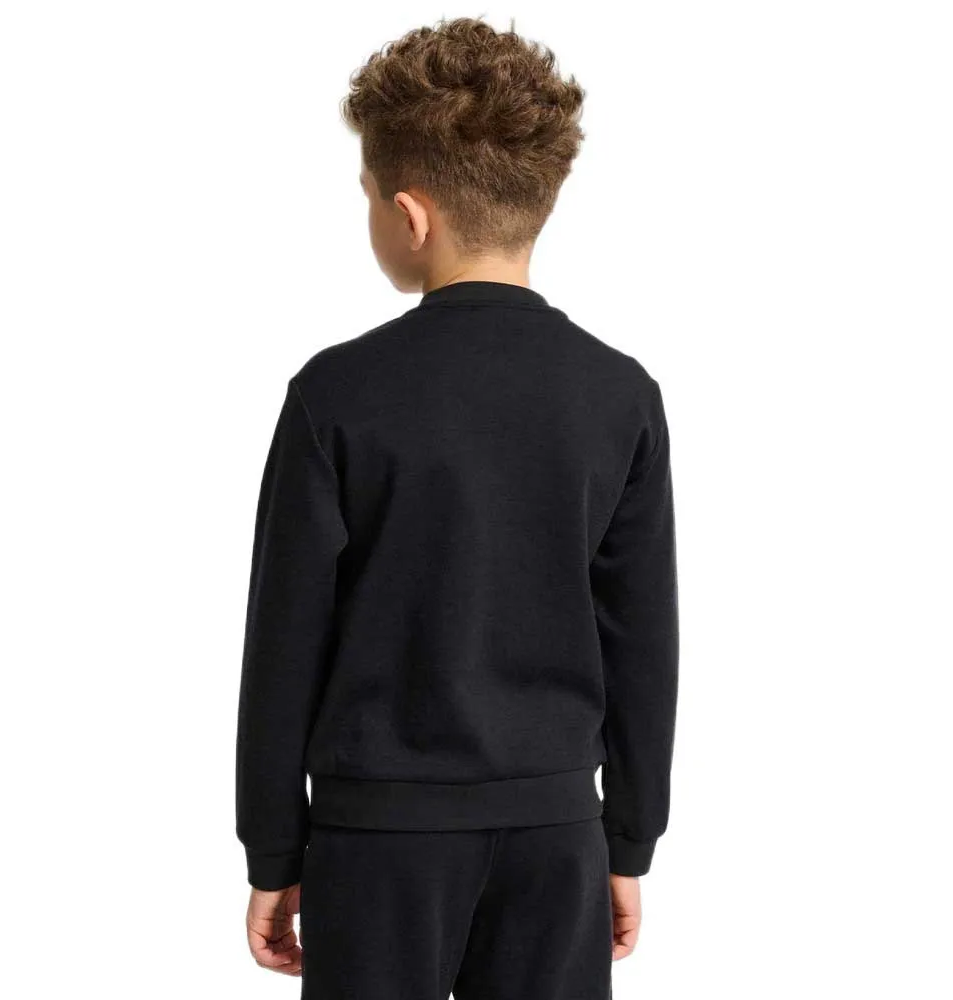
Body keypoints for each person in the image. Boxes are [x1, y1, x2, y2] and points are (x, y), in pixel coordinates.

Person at [235, 16, 679, 999]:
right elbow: (643, 638)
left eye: (366, 194)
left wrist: (272, 848)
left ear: (409, 215)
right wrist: (625, 840)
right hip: (555, 833)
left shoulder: (335, 395)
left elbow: (284, 642)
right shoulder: (619, 395)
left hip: (374, 838)